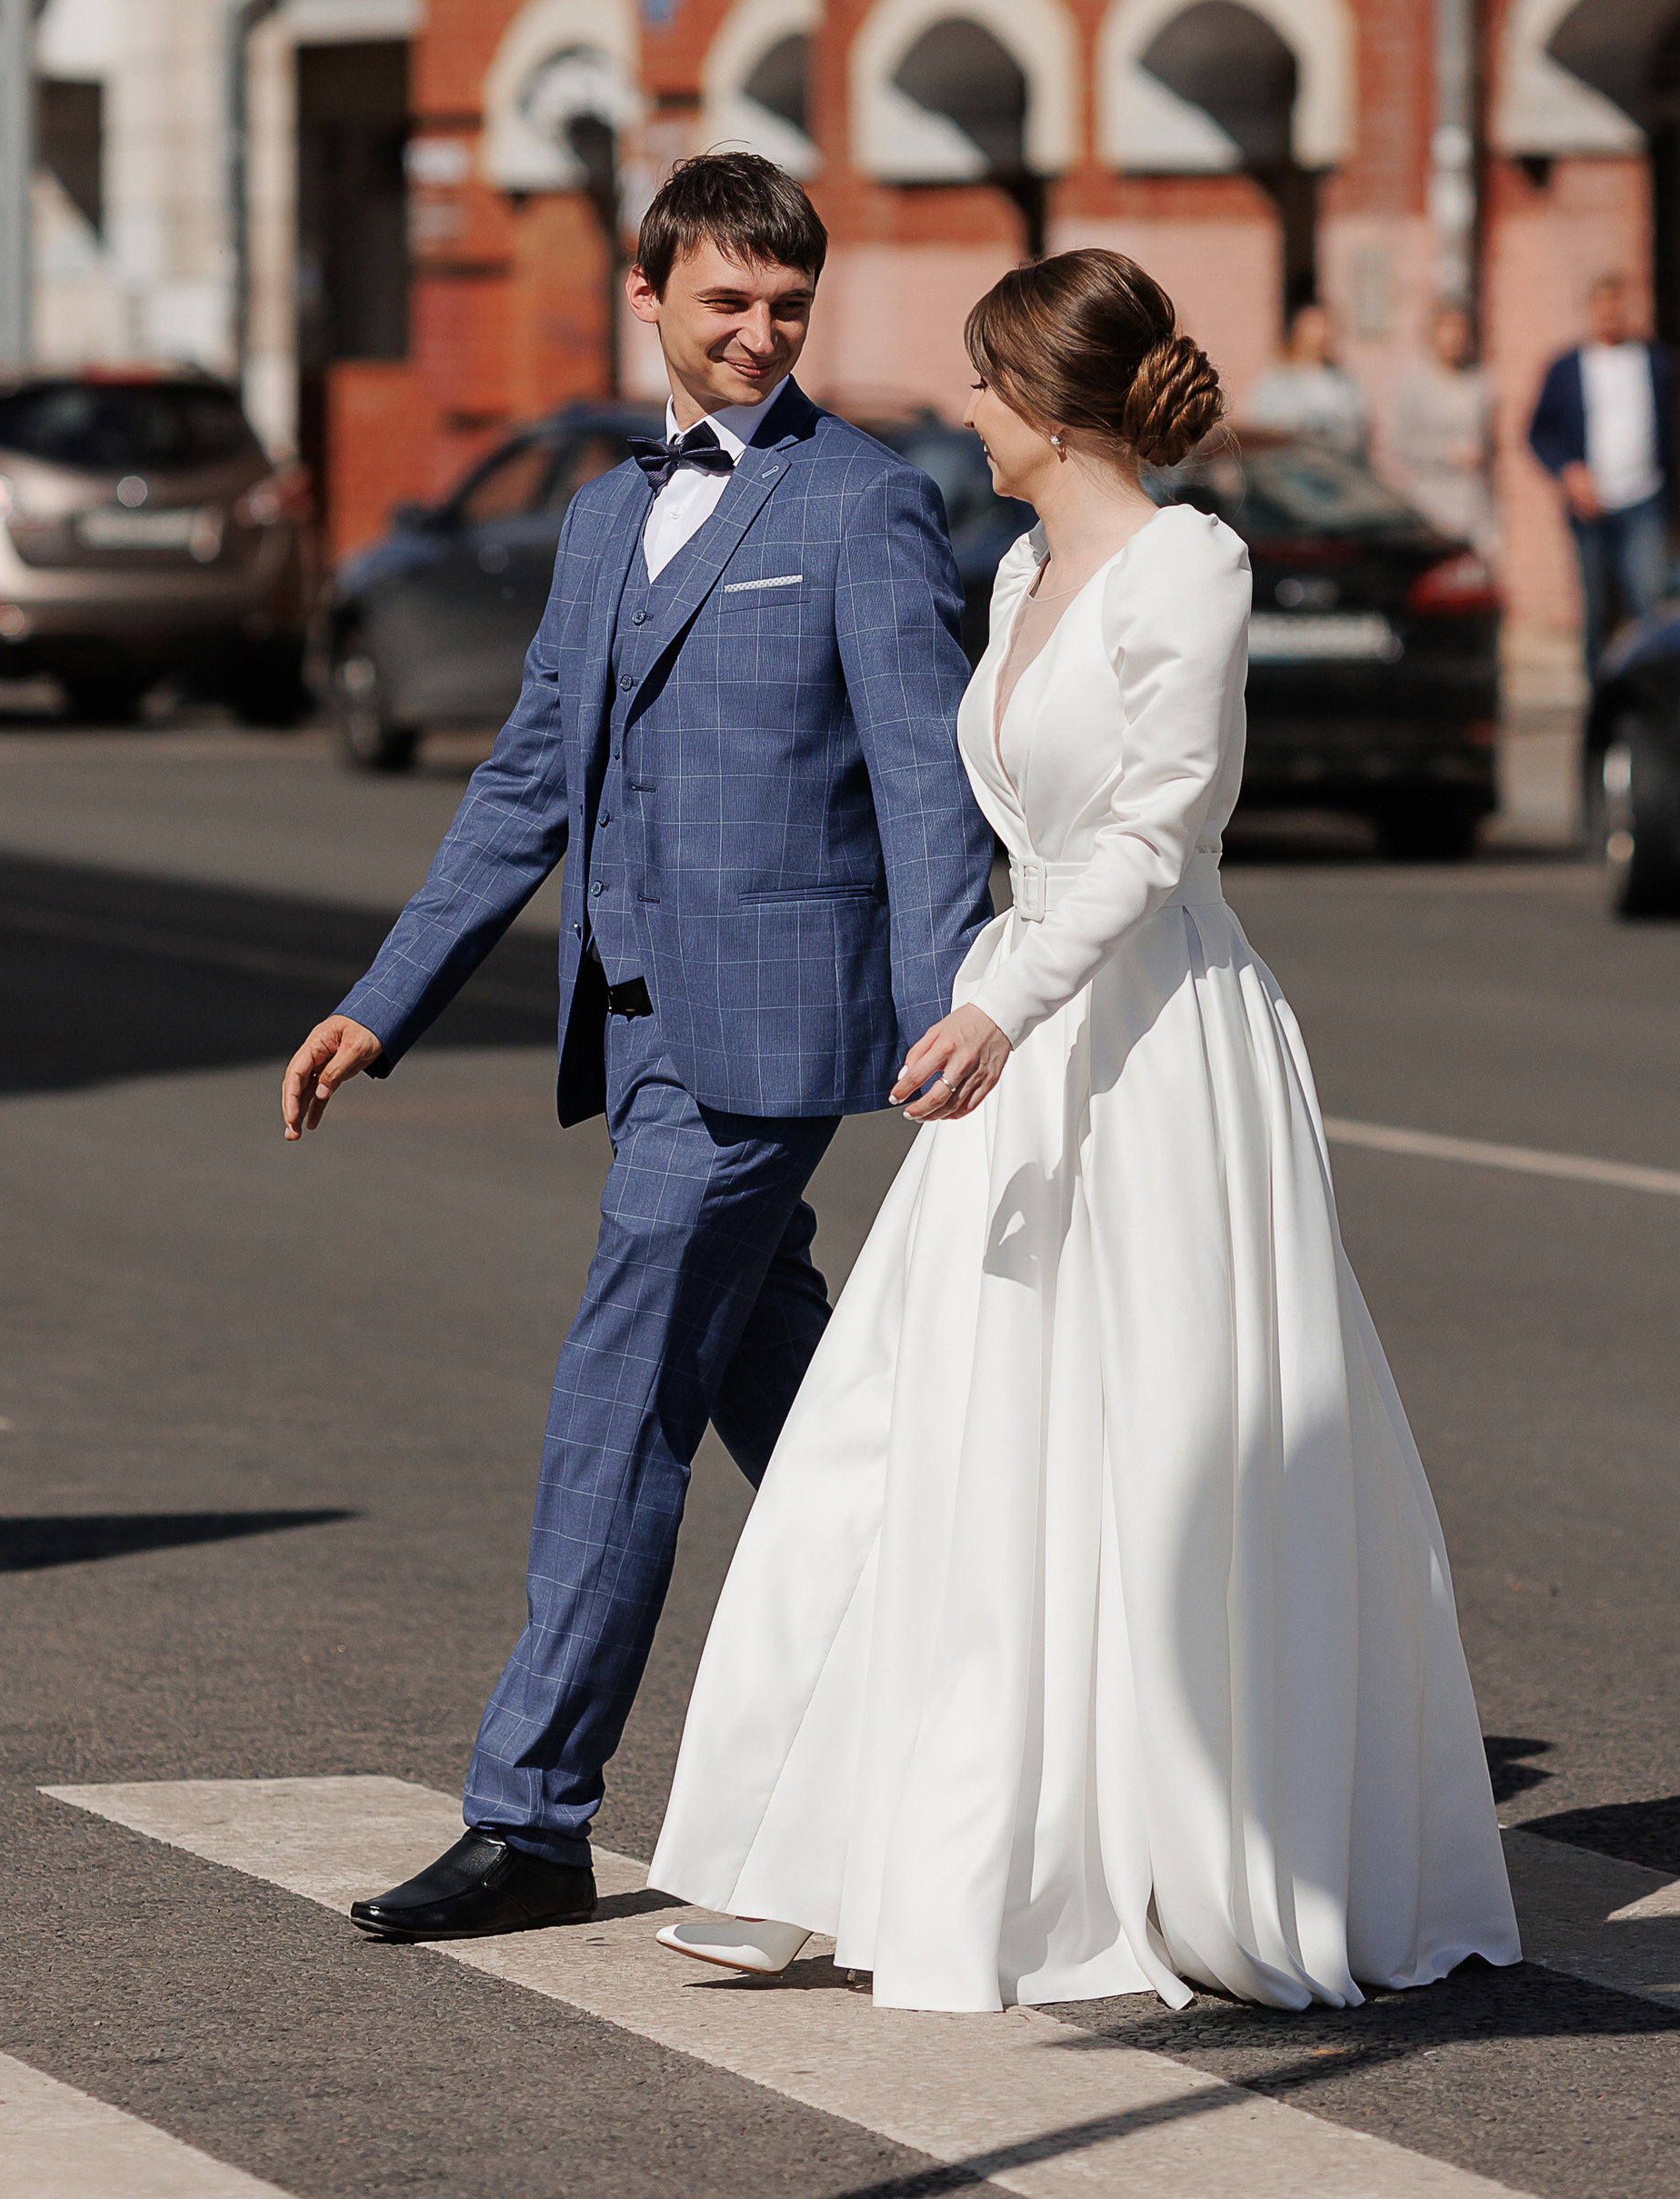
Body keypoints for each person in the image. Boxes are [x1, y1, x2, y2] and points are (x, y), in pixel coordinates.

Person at [650, 249, 1518, 2014]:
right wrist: (972, 994)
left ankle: (1173, 1854)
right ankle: (827, 1846)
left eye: (979, 382)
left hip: (1149, 1041)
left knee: (1158, 1442)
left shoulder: (1185, 566)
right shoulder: (1025, 562)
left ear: (1045, 404)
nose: (959, 411)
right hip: (1023, 1029)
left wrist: (993, 1004)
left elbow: (1147, 831)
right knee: (923, 1429)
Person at [280, 151, 990, 1948]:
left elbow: (924, 787)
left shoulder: (863, 503)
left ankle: (529, 1819)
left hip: (766, 1048)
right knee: (835, 1432)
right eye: (724, 303)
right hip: (640, 1026)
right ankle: (1009, 1700)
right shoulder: (602, 516)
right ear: (648, 295)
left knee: (615, 1411)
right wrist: (386, 999)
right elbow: (528, 779)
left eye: (786, 307)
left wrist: (958, 1026)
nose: (757, 334)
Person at [1526, 273, 1677, 676]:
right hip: (1590, 507)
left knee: (1650, 603)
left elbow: (1671, 433)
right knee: (1596, 609)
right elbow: (1537, 434)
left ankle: (1650, 691)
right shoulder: (1565, 367)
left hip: (1643, 500)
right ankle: (1597, 698)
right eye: (1602, 306)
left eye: (1617, 305)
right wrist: (1569, 472)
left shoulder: (1654, 361)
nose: (1610, 314)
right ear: (1591, 311)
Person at [1389, 300, 1498, 546]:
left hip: (1473, 502)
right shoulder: (1414, 382)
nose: (1454, 337)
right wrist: (1446, 454)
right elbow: (1399, 444)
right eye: (1446, 328)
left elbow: (1493, 444)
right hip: (1428, 503)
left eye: (1460, 330)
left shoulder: (1481, 382)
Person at [1244, 298, 1370, 455]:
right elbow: (1260, 429)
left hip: (1336, 469)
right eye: (1314, 327)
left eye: (1325, 327)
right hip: (1290, 470)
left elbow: (1359, 432)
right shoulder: (1276, 379)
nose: (1321, 334)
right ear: (1299, 332)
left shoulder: (1345, 381)